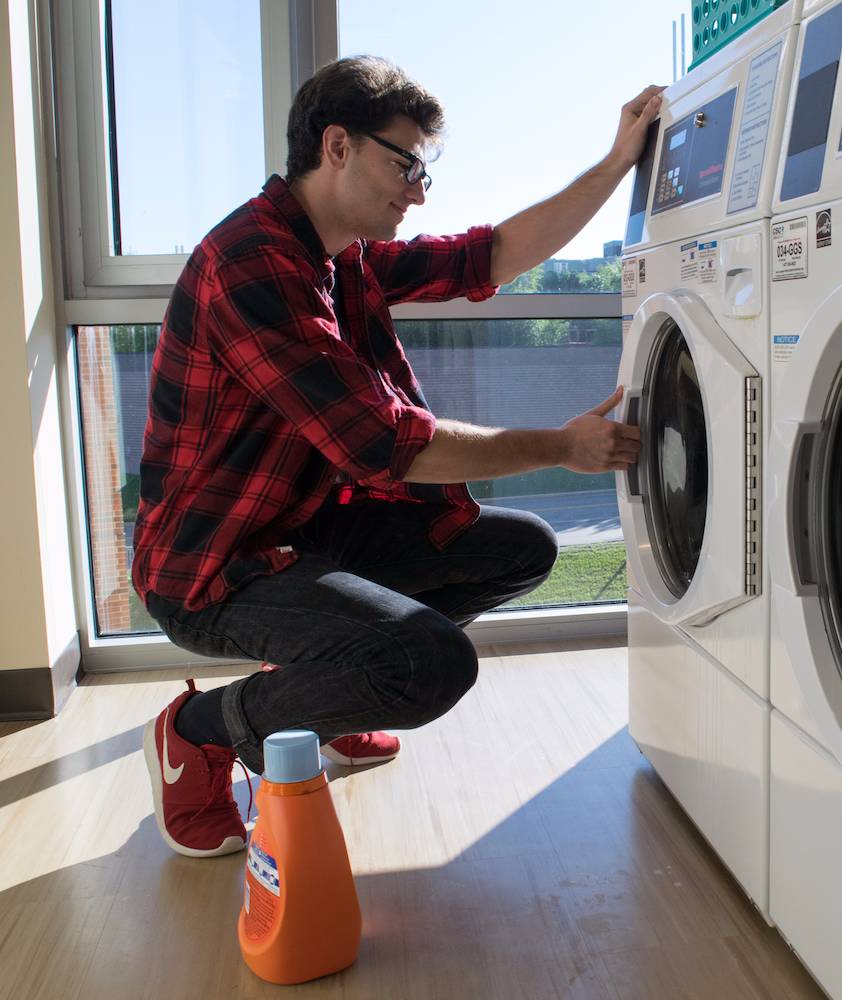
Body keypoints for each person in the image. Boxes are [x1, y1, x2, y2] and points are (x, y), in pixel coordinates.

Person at [136, 55, 662, 857]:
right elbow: (384, 444)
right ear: (338, 146)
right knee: (427, 663)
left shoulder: (340, 257)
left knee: (520, 549)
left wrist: (618, 162)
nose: (419, 190)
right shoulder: (252, 265)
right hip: (213, 567)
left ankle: (324, 700)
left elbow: (487, 257)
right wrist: (561, 447)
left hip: (306, 528)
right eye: (406, 164)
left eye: (425, 169)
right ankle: (198, 733)